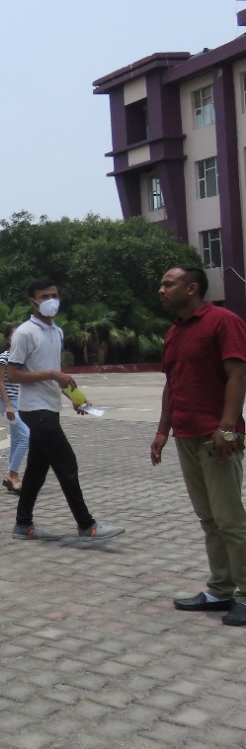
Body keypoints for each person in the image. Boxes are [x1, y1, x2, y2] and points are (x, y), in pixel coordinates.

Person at [152, 265, 246, 624]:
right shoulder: (174, 331)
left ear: (191, 289)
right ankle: (220, 589)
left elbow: (238, 375)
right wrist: (163, 431)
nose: (161, 290)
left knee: (229, 520)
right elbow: (171, 384)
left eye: (168, 284)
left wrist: (227, 428)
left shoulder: (223, 321)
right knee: (209, 518)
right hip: (186, 435)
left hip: (217, 438)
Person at [6, 278, 124, 542]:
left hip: (50, 407)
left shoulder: (56, 332)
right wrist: (51, 374)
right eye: (44, 296)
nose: (51, 301)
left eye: (54, 295)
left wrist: (75, 397)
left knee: (37, 468)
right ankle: (87, 525)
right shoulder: (25, 333)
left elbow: (55, 375)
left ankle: (23, 524)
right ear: (32, 302)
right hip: (34, 409)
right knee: (66, 462)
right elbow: (13, 374)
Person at [0, 332, 28, 495]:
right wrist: (8, 405)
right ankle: (12, 474)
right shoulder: (4, 357)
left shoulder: (22, 357)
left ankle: (12, 476)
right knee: (26, 437)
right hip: (9, 403)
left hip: (21, 403)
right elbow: (0, 382)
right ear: (8, 339)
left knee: (16, 438)